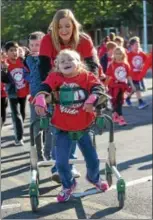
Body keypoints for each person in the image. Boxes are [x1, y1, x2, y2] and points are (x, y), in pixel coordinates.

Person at [34, 49, 109, 202]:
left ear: (79, 63)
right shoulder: (55, 77)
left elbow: (98, 87)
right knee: (61, 163)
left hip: (84, 126)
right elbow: (44, 87)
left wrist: (92, 98)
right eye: (62, 61)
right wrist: (40, 96)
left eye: (70, 60)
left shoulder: (86, 76)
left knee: (93, 160)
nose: (66, 63)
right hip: (62, 127)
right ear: (57, 66)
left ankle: (94, 178)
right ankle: (68, 185)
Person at [38, 9, 101, 181]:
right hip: (56, 84)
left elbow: (91, 67)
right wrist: (50, 90)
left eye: (67, 26)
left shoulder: (84, 40)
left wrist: (88, 91)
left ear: (74, 25)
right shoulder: (47, 40)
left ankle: (68, 164)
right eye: (60, 27)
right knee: (59, 125)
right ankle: (60, 165)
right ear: (54, 28)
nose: (64, 30)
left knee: (77, 121)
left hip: (80, 86)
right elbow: (44, 68)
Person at [24, 31, 52, 161]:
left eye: (38, 45)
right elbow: (34, 71)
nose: (35, 48)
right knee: (36, 126)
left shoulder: (48, 59)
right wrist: (36, 57)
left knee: (50, 126)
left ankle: (49, 153)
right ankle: (38, 155)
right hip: (35, 97)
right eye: (32, 45)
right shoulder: (29, 59)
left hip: (48, 95)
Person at [2, 41, 29, 145]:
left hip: (23, 91)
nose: (14, 52)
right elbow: (4, 79)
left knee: (22, 113)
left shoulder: (22, 61)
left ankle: (19, 132)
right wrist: (4, 69)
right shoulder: (5, 64)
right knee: (16, 115)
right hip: (13, 93)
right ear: (6, 52)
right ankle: (19, 137)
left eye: (16, 50)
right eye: (11, 50)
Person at [106, 47, 135, 126]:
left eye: (120, 54)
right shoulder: (111, 65)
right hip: (113, 86)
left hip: (122, 86)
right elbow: (108, 76)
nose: (118, 55)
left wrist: (132, 85)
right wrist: (105, 85)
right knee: (115, 102)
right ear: (114, 54)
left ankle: (118, 116)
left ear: (123, 55)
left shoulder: (126, 65)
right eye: (116, 53)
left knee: (119, 102)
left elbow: (129, 76)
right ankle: (119, 117)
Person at [126, 37, 148, 109]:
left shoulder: (142, 54)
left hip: (138, 75)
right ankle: (140, 102)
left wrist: (143, 66)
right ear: (131, 46)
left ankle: (127, 98)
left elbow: (147, 61)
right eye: (136, 44)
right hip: (131, 75)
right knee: (137, 88)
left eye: (138, 44)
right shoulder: (128, 55)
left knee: (134, 88)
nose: (138, 45)